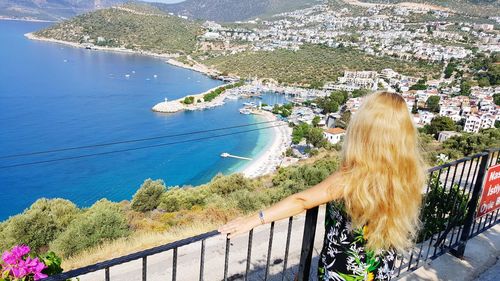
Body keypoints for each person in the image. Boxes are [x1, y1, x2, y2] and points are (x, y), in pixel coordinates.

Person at [218, 92, 427, 280]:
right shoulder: (408, 175)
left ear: (364, 130)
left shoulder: (352, 177)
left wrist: (254, 218)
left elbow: (302, 200)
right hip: (380, 270)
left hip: (345, 273)